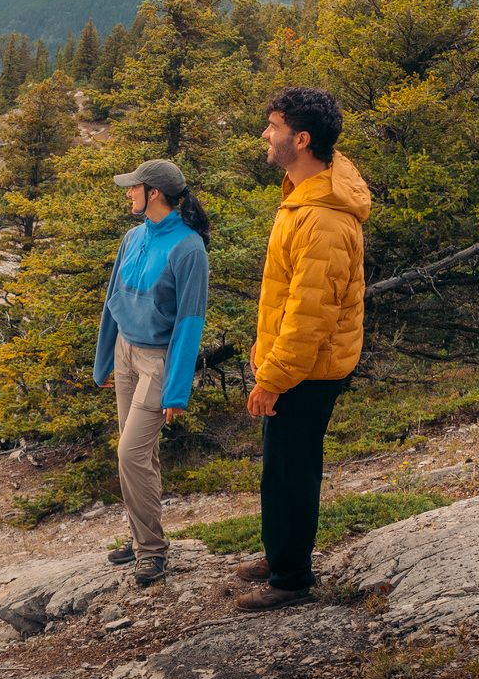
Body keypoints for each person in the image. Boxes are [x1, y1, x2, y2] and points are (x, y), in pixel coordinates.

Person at [237, 86, 369, 612]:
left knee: (291, 468)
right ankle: (280, 553)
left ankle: (291, 579)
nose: (266, 135)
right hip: (296, 364)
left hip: (308, 369)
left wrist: (273, 377)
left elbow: (311, 315)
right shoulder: (305, 189)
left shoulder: (325, 219)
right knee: (280, 463)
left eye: (274, 127)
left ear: (303, 138)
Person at [93, 159, 209, 587]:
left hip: (158, 361)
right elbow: (113, 299)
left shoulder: (189, 247)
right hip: (125, 352)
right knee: (140, 455)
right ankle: (142, 537)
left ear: (154, 193)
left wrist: (177, 391)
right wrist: (103, 361)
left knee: (130, 453)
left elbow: (190, 323)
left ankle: (153, 553)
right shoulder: (133, 237)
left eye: (133, 187)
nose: (128, 193)